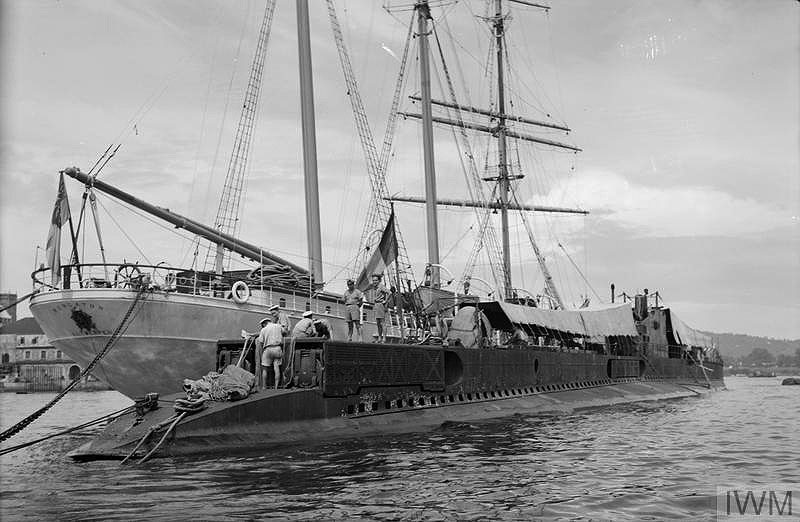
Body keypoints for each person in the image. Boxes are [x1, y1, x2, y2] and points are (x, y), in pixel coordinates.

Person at [256, 314, 284, 389]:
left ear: (264, 323)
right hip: (278, 348)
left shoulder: (264, 329)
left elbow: (261, 341)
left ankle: (264, 387)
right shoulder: (278, 326)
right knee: (276, 367)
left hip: (268, 349)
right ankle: (276, 387)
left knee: (265, 369)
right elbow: (285, 332)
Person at [369, 274, 389, 343]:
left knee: (382, 322)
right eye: (373, 280)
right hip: (376, 304)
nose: (374, 281)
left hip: (380, 304)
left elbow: (389, 293)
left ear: (379, 280)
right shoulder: (375, 287)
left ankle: (384, 338)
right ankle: (380, 338)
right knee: (378, 322)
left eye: (376, 280)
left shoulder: (381, 286)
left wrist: (385, 301)